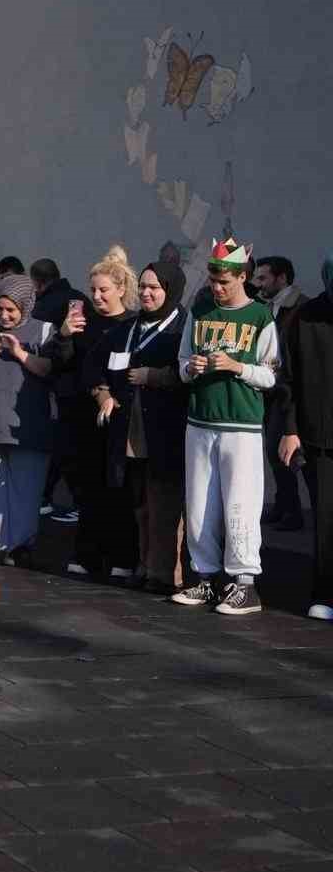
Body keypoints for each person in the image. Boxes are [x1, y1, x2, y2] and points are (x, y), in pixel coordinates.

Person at [172, 237, 280, 615]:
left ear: (242, 277)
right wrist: (191, 368)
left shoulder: (260, 316)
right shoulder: (200, 309)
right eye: (214, 280)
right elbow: (182, 361)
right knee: (199, 502)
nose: (217, 288)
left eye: (225, 282)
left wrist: (237, 367)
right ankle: (204, 577)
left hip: (241, 425)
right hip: (200, 420)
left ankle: (245, 583)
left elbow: (271, 376)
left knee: (240, 502)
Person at [100, 262, 189, 594]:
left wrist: (155, 376)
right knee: (140, 504)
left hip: (166, 430)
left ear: (171, 290)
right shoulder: (129, 327)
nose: (147, 293)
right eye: (144, 286)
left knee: (164, 504)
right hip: (131, 431)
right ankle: (145, 564)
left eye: (155, 288)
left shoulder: (182, 328)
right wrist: (103, 393)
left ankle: (165, 573)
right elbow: (96, 365)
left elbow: (189, 374)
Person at [55, 247, 139, 579]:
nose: (97, 296)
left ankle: (123, 555)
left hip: (119, 417)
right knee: (88, 489)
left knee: (119, 490)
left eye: (103, 290)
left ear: (120, 289)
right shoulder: (82, 323)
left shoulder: (131, 324)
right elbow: (63, 366)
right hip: (83, 415)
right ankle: (88, 554)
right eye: (93, 291)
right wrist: (63, 337)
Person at [0, 274, 55, 567]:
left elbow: (50, 370)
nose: (3, 315)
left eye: (10, 310)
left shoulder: (44, 331)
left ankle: (19, 545)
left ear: (26, 306)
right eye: (0, 309)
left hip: (28, 424)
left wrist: (18, 353)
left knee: (25, 489)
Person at [277, 251, 333, 604]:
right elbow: (289, 381)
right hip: (320, 436)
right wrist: (291, 429)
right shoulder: (305, 319)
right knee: (325, 521)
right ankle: (325, 594)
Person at [29, 257, 88, 522]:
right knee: (72, 446)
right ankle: (66, 498)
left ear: (38, 283)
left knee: (61, 447)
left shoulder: (42, 307)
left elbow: (43, 349)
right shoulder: (77, 298)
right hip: (83, 383)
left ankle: (54, 497)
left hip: (58, 383)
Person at [255, 256, 306, 529]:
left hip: (288, 390)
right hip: (269, 388)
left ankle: (293, 511)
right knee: (273, 451)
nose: (258, 284)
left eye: (264, 278)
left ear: (282, 278)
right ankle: (284, 504)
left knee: (285, 452)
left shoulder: (299, 307)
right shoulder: (267, 307)